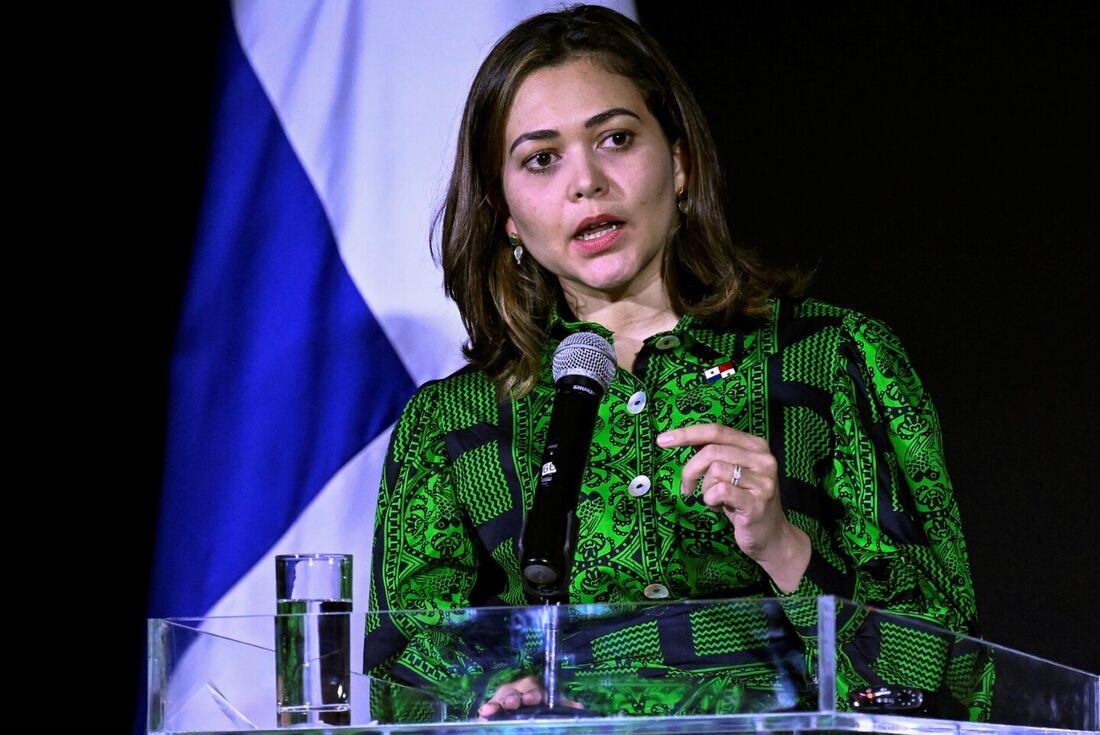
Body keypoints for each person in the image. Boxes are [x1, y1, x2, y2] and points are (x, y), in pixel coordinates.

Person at [364, 3, 993, 723]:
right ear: (505, 211)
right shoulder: (453, 423)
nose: (587, 182)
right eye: (542, 158)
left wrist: (786, 547)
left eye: (616, 139)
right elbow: (399, 680)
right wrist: (490, 696)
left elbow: (950, 670)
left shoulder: (834, 359)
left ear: (681, 160)